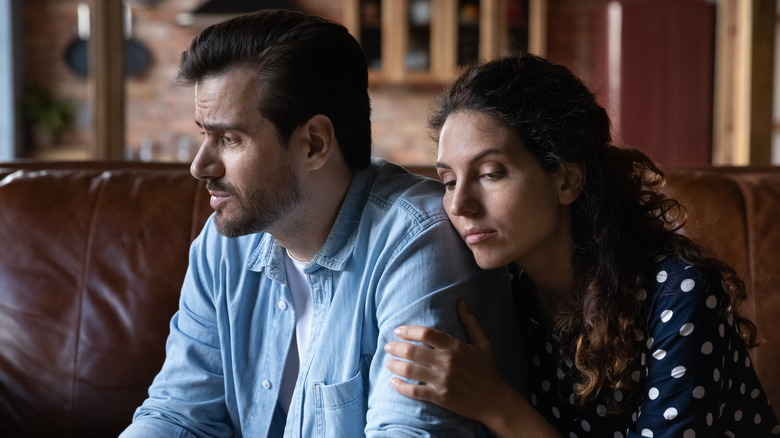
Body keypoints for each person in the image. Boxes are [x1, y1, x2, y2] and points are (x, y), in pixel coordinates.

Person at [120, 9, 521, 438]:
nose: (200, 166)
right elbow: (176, 415)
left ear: (314, 144)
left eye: (230, 138)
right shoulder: (222, 245)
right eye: (204, 134)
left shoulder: (417, 242)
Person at [384, 53, 780, 437]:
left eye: (490, 173)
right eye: (449, 181)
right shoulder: (505, 288)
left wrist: (496, 405)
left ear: (566, 181)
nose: (458, 204)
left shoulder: (681, 294)